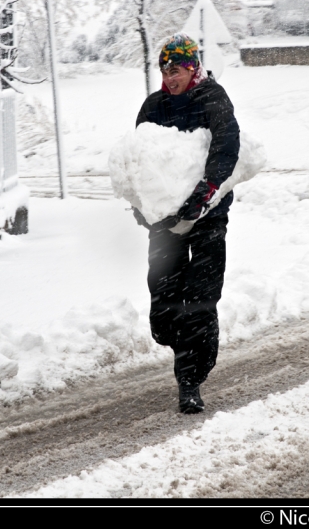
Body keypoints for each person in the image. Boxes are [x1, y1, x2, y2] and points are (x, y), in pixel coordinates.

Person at [132, 33, 240, 414]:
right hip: (165, 218)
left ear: (192, 66)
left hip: (208, 212)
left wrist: (205, 192)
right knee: (163, 309)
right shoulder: (153, 106)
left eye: (175, 68)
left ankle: (190, 380)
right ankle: (187, 346)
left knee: (199, 297)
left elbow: (227, 147)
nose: (169, 76)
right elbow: (139, 159)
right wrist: (139, 201)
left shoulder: (212, 98)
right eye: (164, 69)